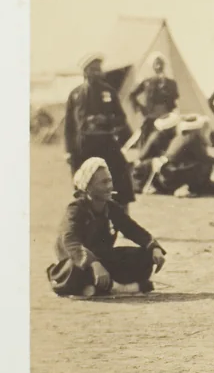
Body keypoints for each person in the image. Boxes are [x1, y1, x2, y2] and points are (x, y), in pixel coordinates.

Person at [46, 158, 167, 297]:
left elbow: (132, 229)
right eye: (104, 182)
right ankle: (117, 287)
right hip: (78, 263)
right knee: (74, 271)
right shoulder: (76, 209)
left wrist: (154, 247)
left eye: (110, 181)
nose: (110, 186)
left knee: (145, 256)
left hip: (103, 260)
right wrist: (94, 263)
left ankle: (99, 288)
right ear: (88, 187)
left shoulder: (111, 207)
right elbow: (70, 240)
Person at [64, 53, 136, 207]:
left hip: (106, 142)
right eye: (93, 70)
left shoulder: (109, 92)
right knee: (83, 184)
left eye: (99, 69)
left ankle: (122, 220)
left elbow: (121, 118)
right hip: (83, 146)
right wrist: (69, 151)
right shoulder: (75, 94)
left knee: (119, 179)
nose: (97, 73)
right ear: (85, 72)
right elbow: (69, 126)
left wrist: (105, 120)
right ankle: (86, 221)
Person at [128, 52, 179, 149]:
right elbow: (132, 95)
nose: (159, 66)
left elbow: (175, 99)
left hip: (166, 115)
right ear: (153, 66)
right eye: (156, 64)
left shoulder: (171, 83)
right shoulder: (147, 82)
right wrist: (140, 108)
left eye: (161, 64)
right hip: (152, 115)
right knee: (149, 139)